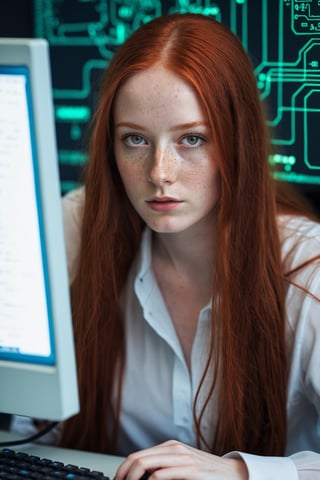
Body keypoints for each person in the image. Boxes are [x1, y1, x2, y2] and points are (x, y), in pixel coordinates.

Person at [59, 13, 320, 480]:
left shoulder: (308, 268)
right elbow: (26, 421)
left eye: (192, 139)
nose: (159, 172)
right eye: (135, 139)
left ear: (237, 143)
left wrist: (242, 475)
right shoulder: (76, 228)